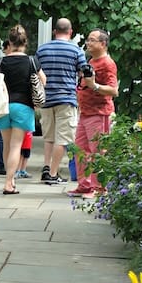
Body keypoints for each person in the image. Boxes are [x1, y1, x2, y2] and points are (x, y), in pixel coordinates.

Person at [0, 24, 43, 195]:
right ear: (25, 43)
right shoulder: (32, 61)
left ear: (9, 42)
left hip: (3, 107)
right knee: (17, 146)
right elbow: (43, 81)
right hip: (23, 106)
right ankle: (9, 182)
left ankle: (8, 179)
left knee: (7, 146)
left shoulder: (1, 61)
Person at [35, 17, 93, 184]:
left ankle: (46, 167)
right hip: (66, 99)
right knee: (63, 138)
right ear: (70, 32)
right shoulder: (76, 51)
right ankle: (53, 174)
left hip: (46, 99)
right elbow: (84, 73)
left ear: (54, 31)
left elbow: (36, 72)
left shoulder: (42, 50)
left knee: (49, 137)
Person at [69, 28, 118, 197]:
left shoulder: (107, 63)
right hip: (86, 113)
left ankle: (99, 189)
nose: (88, 43)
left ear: (103, 44)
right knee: (81, 150)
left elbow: (113, 90)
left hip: (99, 113)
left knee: (98, 151)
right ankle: (85, 185)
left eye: (92, 40)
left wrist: (94, 86)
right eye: (88, 40)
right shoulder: (92, 61)